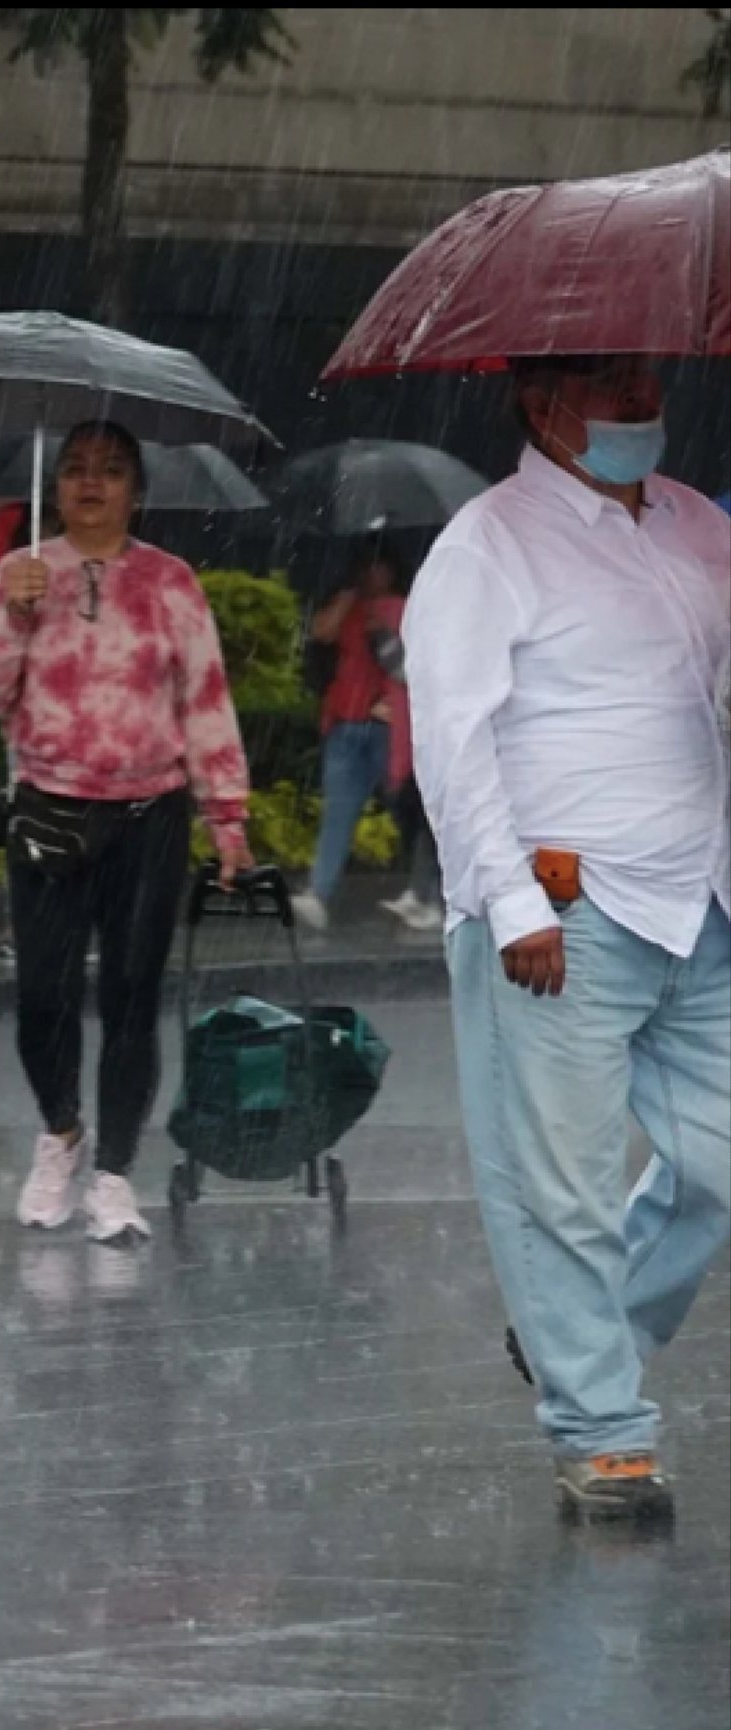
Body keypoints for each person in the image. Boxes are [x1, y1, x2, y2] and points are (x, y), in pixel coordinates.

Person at [406, 355, 729, 1524]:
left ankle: (573, 1332)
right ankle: (600, 1428)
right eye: (610, 382)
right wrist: (511, 899)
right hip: (563, 908)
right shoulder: (488, 544)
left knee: (716, 1170)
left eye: (647, 377)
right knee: (564, 1188)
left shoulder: (697, 522)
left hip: (703, 896)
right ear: (543, 402)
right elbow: (451, 734)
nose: (641, 400)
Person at [0, 421, 254, 1249]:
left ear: (136, 489)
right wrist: (12, 616)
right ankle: (62, 1131)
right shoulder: (23, 574)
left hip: (149, 816)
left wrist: (226, 814)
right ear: (57, 486)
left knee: (130, 995)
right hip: (47, 810)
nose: (90, 484)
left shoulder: (170, 582)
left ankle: (115, 1174)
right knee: (42, 995)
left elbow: (206, 698)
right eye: (76, 470)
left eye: (110, 471)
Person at [293, 550, 438, 934]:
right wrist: (347, 598)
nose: (373, 573)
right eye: (367, 564)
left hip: (386, 728)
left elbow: (413, 665)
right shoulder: (350, 607)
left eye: (380, 564)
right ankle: (320, 893)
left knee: (409, 813)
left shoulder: (406, 609)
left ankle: (426, 894)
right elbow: (321, 632)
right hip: (346, 721)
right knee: (338, 812)